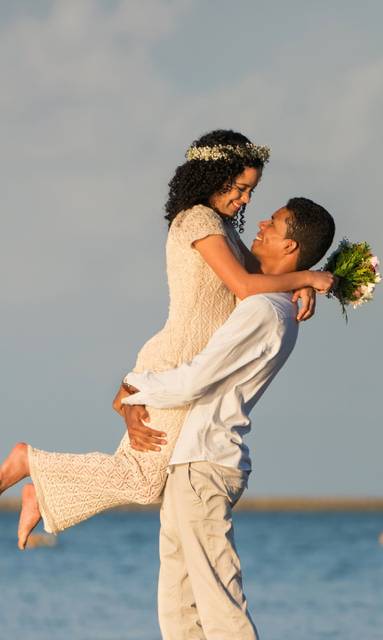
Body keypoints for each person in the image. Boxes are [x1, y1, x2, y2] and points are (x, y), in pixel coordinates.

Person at [0, 130, 333, 544]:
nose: (246, 200)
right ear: (216, 174)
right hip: (175, 359)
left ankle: (40, 489)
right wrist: (310, 278)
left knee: (141, 478)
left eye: (251, 191)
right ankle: (28, 462)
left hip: (188, 365)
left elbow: (262, 278)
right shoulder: (199, 221)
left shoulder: (225, 230)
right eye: (241, 188)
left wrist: (296, 285)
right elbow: (244, 286)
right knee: (141, 480)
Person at [115, 198, 333, 639]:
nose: (261, 223)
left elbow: (197, 380)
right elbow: (238, 277)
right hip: (193, 462)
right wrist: (304, 281)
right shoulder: (271, 301)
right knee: (178, 607)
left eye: (272, 223)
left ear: (289, 244)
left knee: (219, 604)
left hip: (205, 464)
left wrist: (134, 387)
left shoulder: (264, 310)